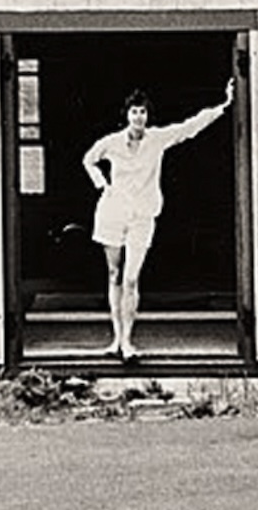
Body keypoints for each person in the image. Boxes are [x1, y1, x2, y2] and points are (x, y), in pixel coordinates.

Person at [82, 79, 234, 361]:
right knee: (114, 274)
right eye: (134, 112)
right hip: (112, 213)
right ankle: (116, 339)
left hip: (143, 215)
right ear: (126, 115)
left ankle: (128, 341)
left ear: (147, 115)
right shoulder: (112, 142)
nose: (138, 117)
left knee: (130, 278)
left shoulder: (157, 139)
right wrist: (102, 185)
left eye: (142, 112)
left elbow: (189, 127)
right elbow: (88, 159)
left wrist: (223, 106)